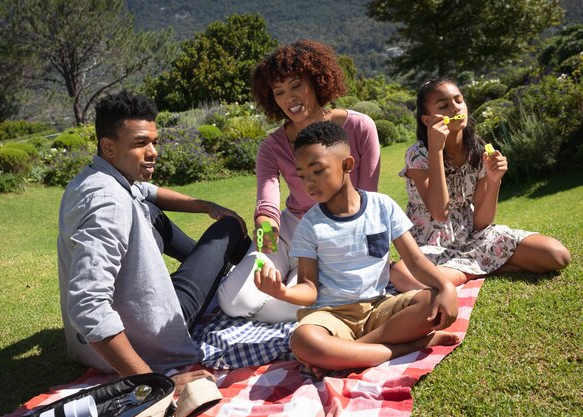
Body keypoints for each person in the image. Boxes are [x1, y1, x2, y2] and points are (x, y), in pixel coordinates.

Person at [57, 90, 250, 392]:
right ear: (108, 146)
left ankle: (225, 272)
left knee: (151, 210)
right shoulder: (108, 204)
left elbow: (149, 192)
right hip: (157, 329)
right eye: (140, 143)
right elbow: (87, 305)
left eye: (154, 142)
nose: (153, 152)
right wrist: (154, 382)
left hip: (122, 323)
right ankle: (250, 274)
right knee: (228, 228)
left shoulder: (93, 177)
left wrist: (205, 205)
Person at [254, 121, 459, 378]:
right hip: (331, 316)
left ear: (347, 165)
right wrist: (282, 291)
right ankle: (408, 346)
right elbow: (309, 288)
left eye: (317, 171)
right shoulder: (309, 225)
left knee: (431, 302)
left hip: (378, 309)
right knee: (303, 341)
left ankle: (348, 353)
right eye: (302, 175)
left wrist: (446, 287)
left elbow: (415, 259)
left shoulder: (382, 206)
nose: (309, 183)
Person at [218, 39, 381, 322]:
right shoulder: (272, 147)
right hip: (289, 232)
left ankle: (294, 291)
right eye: (279, 92)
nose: (289, 98)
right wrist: (264, 238)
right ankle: (291, 287)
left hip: (339, 233)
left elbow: (368, 200)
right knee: (234, 303)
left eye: (296, 85)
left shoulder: (360, 127)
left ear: (316, 81)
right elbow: (267, 205)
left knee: (301, 302)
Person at [393, 77, 571, 291]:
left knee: (557, 255)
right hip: (431, 246)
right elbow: (440, 213)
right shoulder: (418, 155)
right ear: (426, 119)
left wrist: (495, 180)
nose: (455, 108)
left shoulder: (477, 150)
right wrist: (436, 151)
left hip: (472, 238)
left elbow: (481, 222)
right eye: (443, 105)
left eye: (459, 101)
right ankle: (480, 269)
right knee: (403, 276)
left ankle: (460, 273)